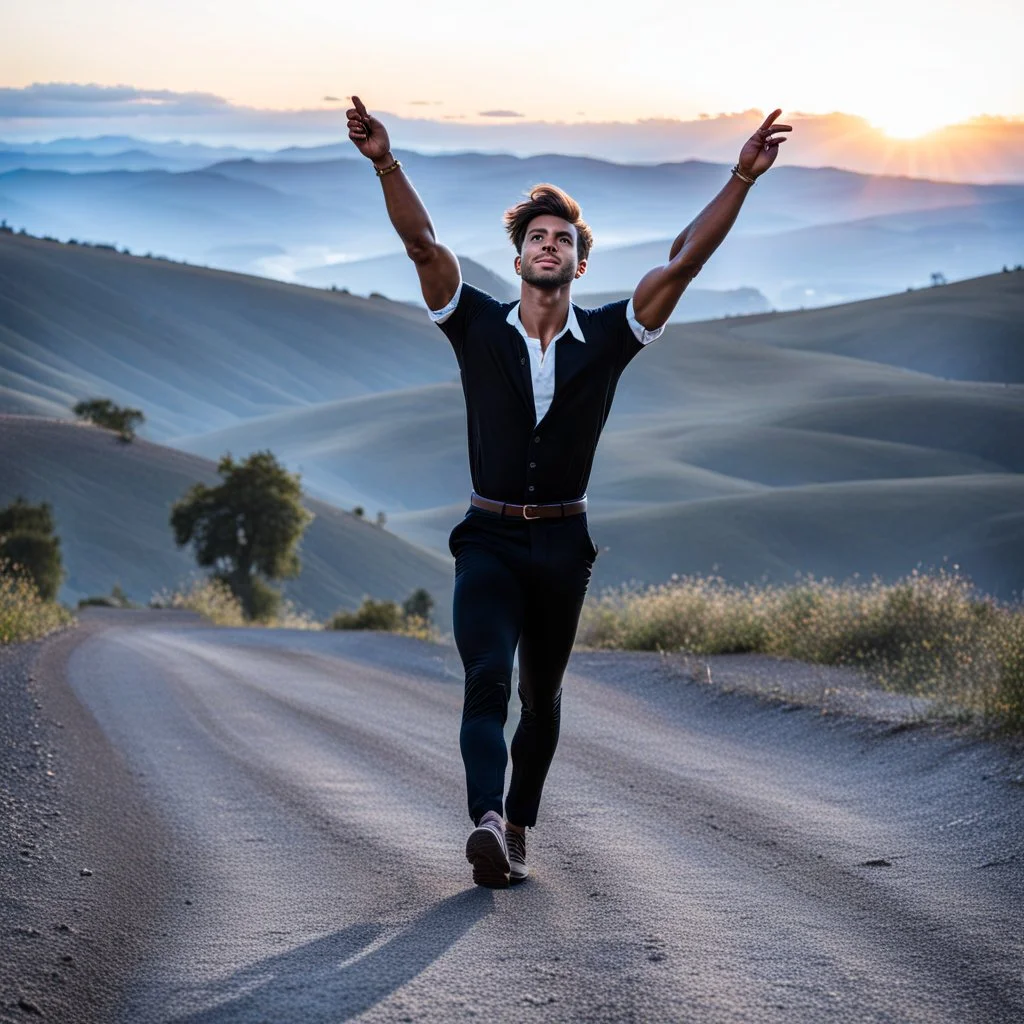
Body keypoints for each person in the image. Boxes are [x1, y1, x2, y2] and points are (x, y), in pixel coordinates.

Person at [346, 95, 790, 888]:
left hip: (563, 545)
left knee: (541, 698)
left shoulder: (611, 337)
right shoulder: (474, 324)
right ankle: (484, 820)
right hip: (487, 537)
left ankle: (518, 824)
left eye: (563, 241)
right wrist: (385, 160)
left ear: (580, 265)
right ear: (517, 257)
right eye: (536, 238)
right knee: (486, 679)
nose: (548, 247)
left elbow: (684, 260)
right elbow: (421, 244)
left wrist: (741, 178)